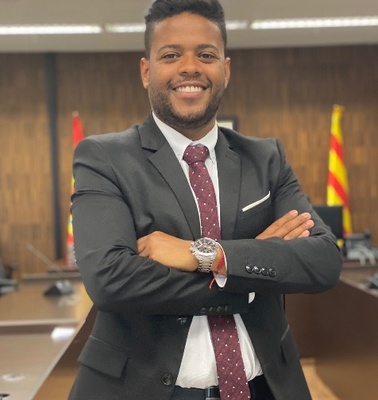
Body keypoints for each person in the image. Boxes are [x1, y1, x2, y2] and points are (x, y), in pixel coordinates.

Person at [68, 0, 342, 399]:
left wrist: (208, 255)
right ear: (146, 71)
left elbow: (323, 260)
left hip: (265, 386)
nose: (190, 67)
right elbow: (112, 281)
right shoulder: (103, 158)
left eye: (206, 55)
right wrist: (250, 278)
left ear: (225, 70)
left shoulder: (266, 158)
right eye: (171, 54)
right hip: (143, 388)